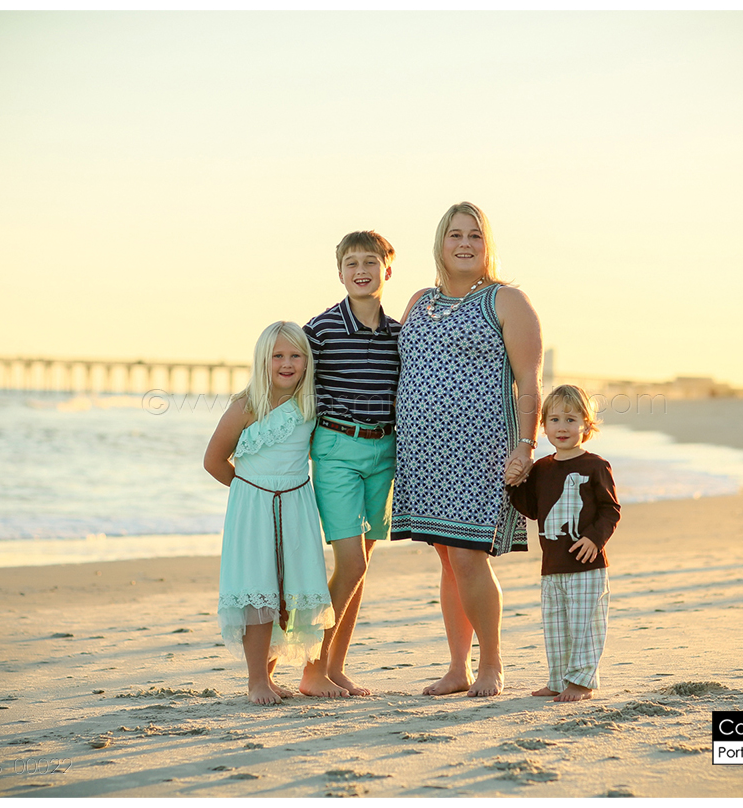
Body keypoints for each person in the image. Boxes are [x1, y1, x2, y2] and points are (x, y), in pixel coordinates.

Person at [392, 202, 542, 697]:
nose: (464, 243)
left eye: (474, 235)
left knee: (468, 555)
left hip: (480, 452)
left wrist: (525, 445)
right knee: (448, 558)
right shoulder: (419, 301)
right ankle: (458, 668)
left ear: (487, 245)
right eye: (455, 234)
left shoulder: (506, 301)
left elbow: (529, 381)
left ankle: (491, 665)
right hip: (423, 452)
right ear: (440, 244)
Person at [203, 321, 335, 705]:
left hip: (296, 506)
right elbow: (213, 460)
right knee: (258, 593)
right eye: (278, 356)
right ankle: (256, 680)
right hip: (254, 508)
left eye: (295, 355)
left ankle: (271, 676)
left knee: (287, 594)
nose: (287, 363)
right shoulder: (245, 406)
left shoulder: (309, 406)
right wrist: (250, 491)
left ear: (307, 361)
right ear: (263, 360)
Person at [300, 230, 400, 698]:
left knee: (361, 566)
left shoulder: (400, 334)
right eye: (352, 263)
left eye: (370, 262)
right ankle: (311, 670)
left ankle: (334, 667)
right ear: (339, 272)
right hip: (337, 449)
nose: (361, 270)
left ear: (387, 270)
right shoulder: (319, 330)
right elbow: (290, 381)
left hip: (384, 451)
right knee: (351, 563)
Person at [506, 385, 620, 702]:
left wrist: (594, 538)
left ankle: (582, 682)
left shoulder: (596, 466)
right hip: (552, 565)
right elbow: (532, 509)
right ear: (543, 426)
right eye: (554, 419)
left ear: (586, 425)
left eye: (571, 420)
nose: (562, 427)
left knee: (586, 626)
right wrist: (514, 484)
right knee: (556, 628)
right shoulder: (542, 468)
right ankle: (558, 680)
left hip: (587, 566)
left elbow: (611, 510)